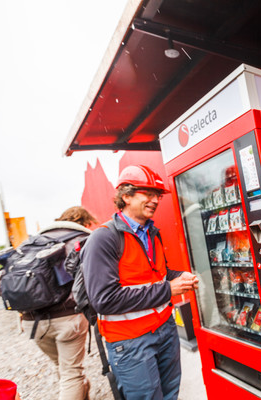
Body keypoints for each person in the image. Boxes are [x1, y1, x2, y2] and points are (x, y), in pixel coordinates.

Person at [81, 165, 199, 400]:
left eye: (158, 195)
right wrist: (168, 289)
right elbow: (105, 300)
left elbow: (158, 275)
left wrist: (178, 277)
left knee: (170, 394)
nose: (155, 200)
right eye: (148, 193)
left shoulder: (152, 232)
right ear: (125, 196)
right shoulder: (103, 238)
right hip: (130, 342)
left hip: (165, 330)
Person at [22, 206, 98, 400]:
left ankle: (83, 392)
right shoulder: (80, 238)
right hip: (67, 318)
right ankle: (78, 389)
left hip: (32, 320)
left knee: (62, 368)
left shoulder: (34, 241)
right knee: (71, 373)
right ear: (83, 221)